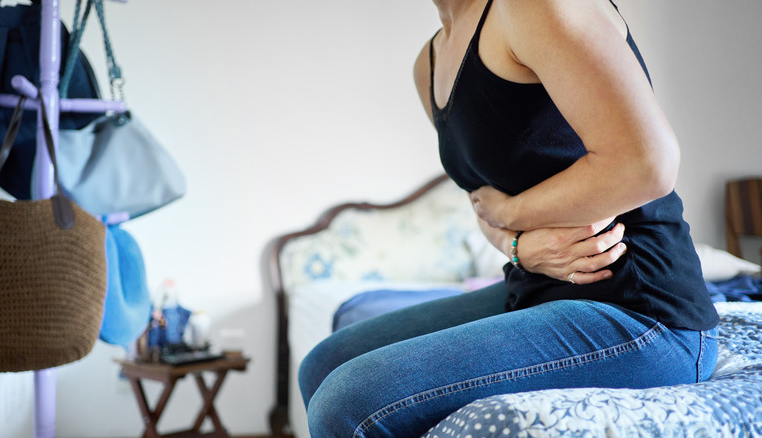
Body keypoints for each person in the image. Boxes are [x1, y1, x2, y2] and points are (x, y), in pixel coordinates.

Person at [299, 0, 720, 436]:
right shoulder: (428, 62)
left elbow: (647, 164)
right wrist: (521, 247)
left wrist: (512, 213)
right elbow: (482, 199)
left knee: (347, 401)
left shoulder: (530, 6)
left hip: (641, 312)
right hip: (536, 287)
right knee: (323, 365)